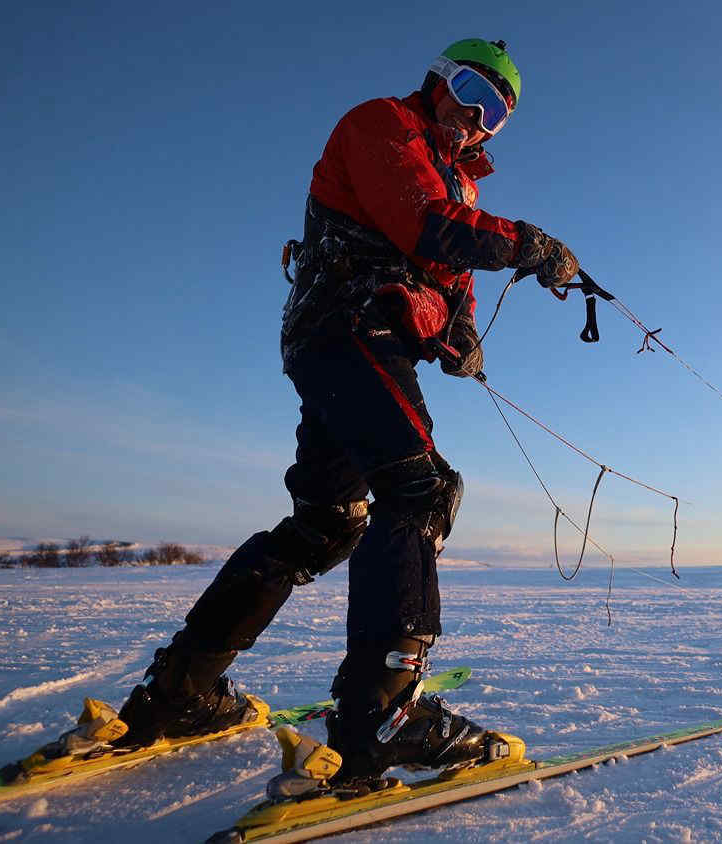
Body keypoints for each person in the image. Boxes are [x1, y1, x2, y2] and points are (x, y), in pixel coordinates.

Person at [113, 38, 580, 786]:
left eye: (495, 112)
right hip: (347, 329)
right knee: (421, 490)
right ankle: (382, 719)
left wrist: (458, 338)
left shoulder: (461, 185)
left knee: (328, 523)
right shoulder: (382, 126)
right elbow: (423, 224)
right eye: (470, 91)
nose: (475, 117)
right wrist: (527, 244)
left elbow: (444, 272)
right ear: (438, 81)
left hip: (358, 344)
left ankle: (184, 691)